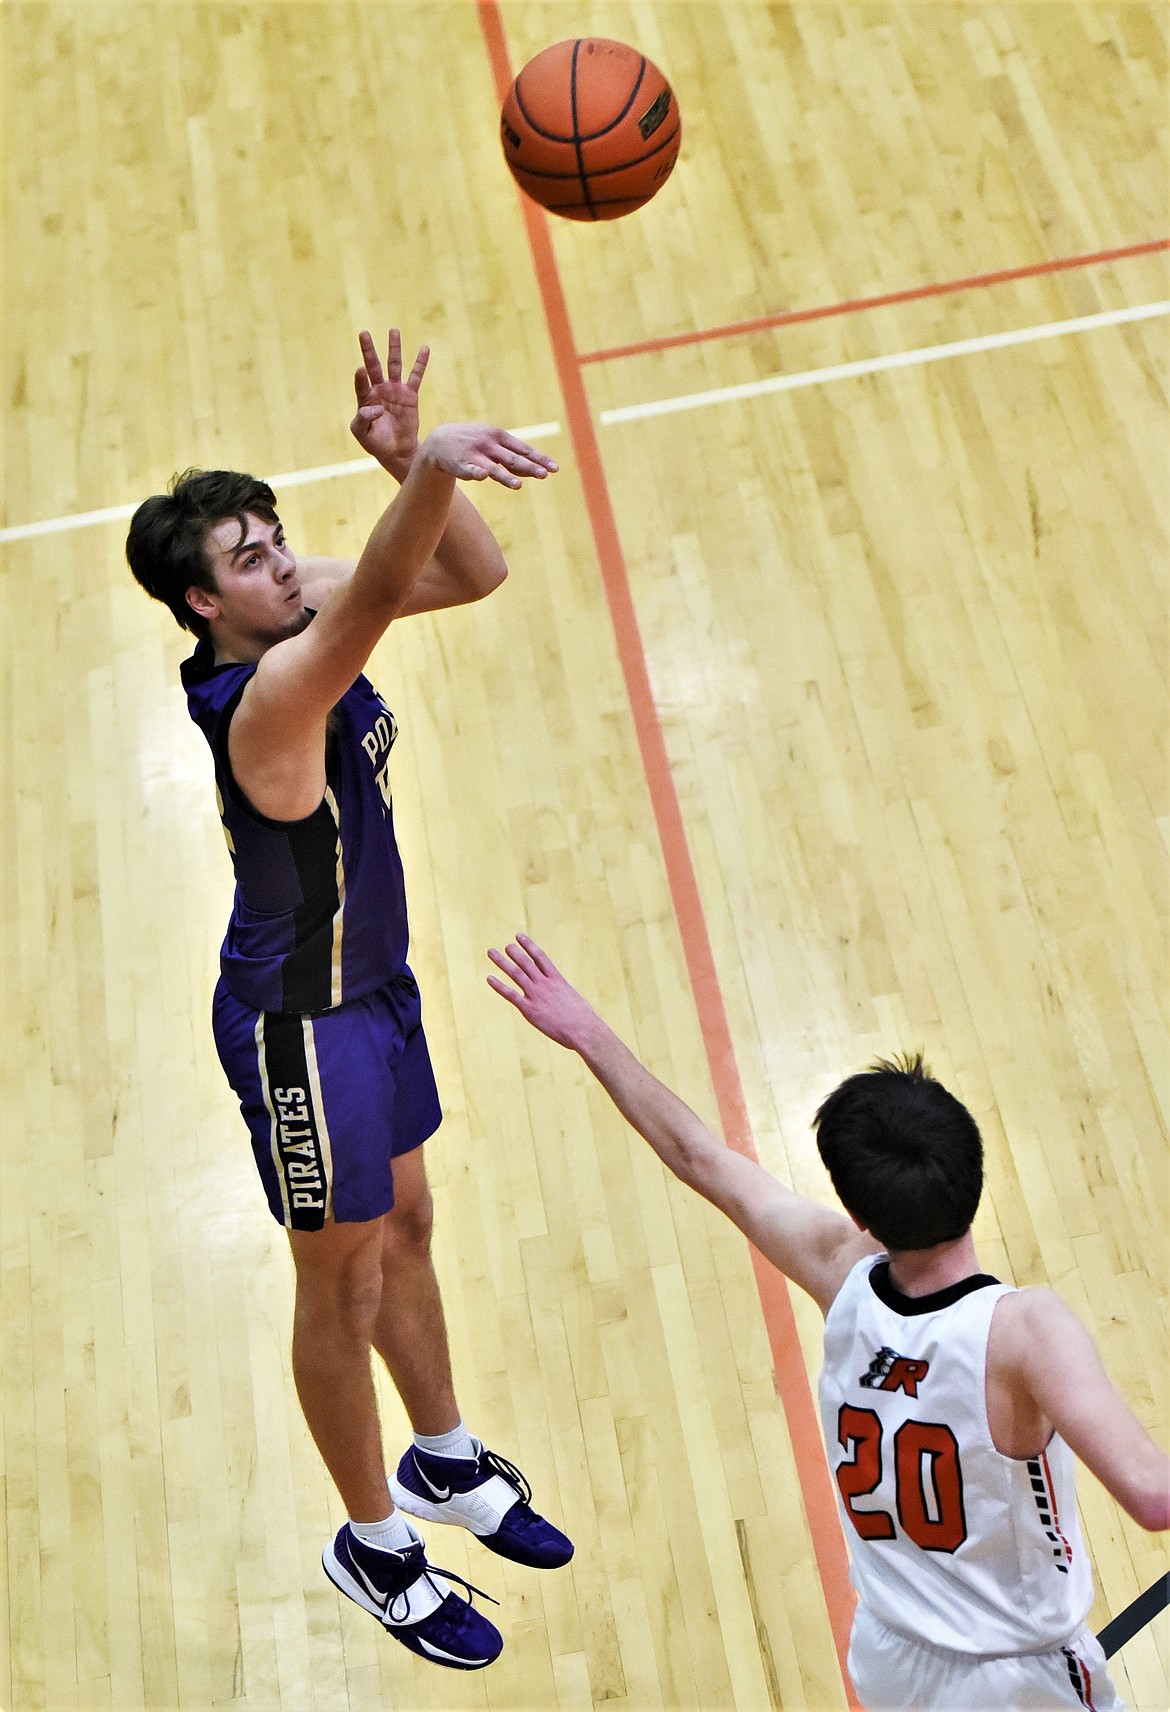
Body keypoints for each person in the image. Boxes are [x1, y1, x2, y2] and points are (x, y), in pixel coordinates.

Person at [125, 331, 573, 1674]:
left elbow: (464, 574)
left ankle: (439, 1458)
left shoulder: (291, 607)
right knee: (343, 1275)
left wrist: (403, 469)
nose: (276, 562)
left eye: (273, 539)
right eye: (246, 558)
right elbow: (383, 588)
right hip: (297, 1028)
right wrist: (423, 470)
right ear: (204, 606)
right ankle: (372, 1539)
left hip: (374, 987)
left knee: (413, 1224)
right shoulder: (263, 693)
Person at [487, 933, 1169, 1710]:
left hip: (887, 1657)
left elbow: (698, 1155)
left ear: (858, 1211)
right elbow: (1153, 1498)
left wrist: (588, 1032)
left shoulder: (839, 1272)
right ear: (978, 1166)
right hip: (1016, 1683)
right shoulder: (1024, 1332)